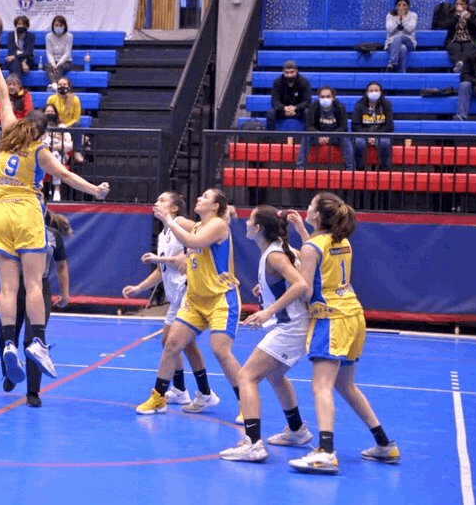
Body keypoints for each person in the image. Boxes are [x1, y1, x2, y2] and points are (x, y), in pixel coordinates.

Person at [0, 51, 110, 386]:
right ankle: (38, 342)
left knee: (7, 288)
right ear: (42, 132)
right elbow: (66, 176)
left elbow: (3, 95)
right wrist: (95, 190)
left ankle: (9, 343)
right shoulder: (40, 150)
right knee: (33, 284)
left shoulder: (8, 135)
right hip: (26, 212)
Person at [284, 193, 400, 474]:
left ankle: (325, 452)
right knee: (346, 385)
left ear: (316, 215)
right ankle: (384, 444)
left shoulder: (312, 247)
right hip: (354, 316)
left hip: (331, 319)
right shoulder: (342, 241)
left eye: (310, 205)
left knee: (321, 386)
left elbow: (307, 289)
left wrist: (286, 282)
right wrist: (302, 232)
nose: (307, 207)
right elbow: (319, 257)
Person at [134, 189, 243, 419]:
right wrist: (165, 214)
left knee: (220, 350)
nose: (199, 198)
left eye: (205, 197)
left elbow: (193, 241)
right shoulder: (196, 226)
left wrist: (168, 218)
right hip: (194, 300)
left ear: (215, 206)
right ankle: (159, 397)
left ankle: (246, 402)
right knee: (171, 344)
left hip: (220, 298)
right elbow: (183, 226)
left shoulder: (217, 226)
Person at [219, 205, 313, 462]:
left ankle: (253, 443)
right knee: (275, 375)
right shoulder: (280, 250)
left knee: (246, 376)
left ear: (259, 228)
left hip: (290, 327)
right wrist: (269, 289)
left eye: (250, 220)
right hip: (294, 324)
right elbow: (295, 275)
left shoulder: (275, 256)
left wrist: (268, 310)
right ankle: (297, 430)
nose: (246, 223)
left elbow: (301, 284)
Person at [124, 191, 214, 409]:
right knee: (174, 344)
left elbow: (205, 235)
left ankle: (183, 394)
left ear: (174, 208)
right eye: (156, 200)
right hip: (175, 299)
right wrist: (139, 288)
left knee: (174, 344)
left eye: (162, 200)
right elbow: (161, 270)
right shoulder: (163, 234)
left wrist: (189, 254)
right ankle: (186, 391)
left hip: (187, 293)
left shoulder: (180, 222)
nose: (157, 203)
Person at [0, 209, 72, 407]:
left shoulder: (52, 236)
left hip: (39, 289)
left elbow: (62, 266)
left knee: (33, 341)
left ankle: (33, 391)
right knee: (4, 337)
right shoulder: (11, 230)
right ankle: (10, 373)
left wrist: (65, 293)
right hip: (14, 288)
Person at [297, 86, 353, 170]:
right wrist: (319, 135)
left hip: (335, 137)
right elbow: (309, 126)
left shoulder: (340, 107)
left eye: (328, 96)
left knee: (345, 138)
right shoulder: (312, 108)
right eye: (322, 97)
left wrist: (330, 137)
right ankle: (300, 167)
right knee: (306, 138)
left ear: (333, 98)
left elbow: (343, 127)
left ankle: (350, 168)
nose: (325, 99)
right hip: (317, 136)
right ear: (318, 98)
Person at [350, 82, 393, 170]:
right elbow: (355, 125)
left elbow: (389, 126)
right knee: (358, 143)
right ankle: (360, 169)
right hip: (363, 135)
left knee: (385, 143)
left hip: (381, 134)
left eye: (376, 90)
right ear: (366, 93)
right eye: (371, 90)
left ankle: (384, 169)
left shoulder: (386, 105)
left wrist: (376, 136)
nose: (374, 92)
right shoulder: (359, 105)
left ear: (381, 92)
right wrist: (367, 136)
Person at [44, 76, 84, 163]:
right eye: (60, 84)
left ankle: (77, 152)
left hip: (69, 126)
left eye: (64, 84)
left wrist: (65, 127)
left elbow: (76, 118)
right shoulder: (51, 99)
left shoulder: (75, 99)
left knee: (78, 126)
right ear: (57, 86)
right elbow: (48, 112)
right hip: (55, 124)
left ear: (68, 86)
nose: (62, 86)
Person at [41, 104, 73, 202]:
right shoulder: (40, 127)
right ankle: (39, 189)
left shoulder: (62, 127)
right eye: (47, 112)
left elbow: (70, 145)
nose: (50, 114)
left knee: (55, 157)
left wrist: (58, 145)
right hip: (44, 153)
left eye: (52, 112)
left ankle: (57, 189)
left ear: (56, 113)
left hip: (60, 153)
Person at [267, 60, 311, 130]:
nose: (289, 75)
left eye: (292, 72)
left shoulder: (304, 82)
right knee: (271, 112)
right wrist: (284, 108)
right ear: (283, 72)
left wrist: (295, 108)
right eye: (287, 72)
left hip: (298, 110)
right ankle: (270, 136)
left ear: (296, 71)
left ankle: (308, 136)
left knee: (307, 112)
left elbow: (307, 101)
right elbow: (275, 101)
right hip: (282, 110)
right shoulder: (277, 82)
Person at [444, 0, 476, 77]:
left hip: (468, 39)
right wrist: (457, 16)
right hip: (454, 39)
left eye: (461, 4)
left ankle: (461, 64)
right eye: (457, 4)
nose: (459, 6)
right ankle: (459, 64)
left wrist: (468, 19)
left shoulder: (472, 14)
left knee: (468, 48)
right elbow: (448, 26)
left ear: (466, 5)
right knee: (454, 48)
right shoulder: (451, 14)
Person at [384, 0, 417, 73]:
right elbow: (390, 29)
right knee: (402, 48)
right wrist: (398, 18)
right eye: (399, 5)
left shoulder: (413, 15)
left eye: (404, 5)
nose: (401, 7)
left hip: (408, 42)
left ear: (408, 6)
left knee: (400, 37)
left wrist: (403, 18)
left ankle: (391, 63)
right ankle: (402, 72)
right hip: (391, 44)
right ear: (396, 6)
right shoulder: (390, 15)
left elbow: (410, 29)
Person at [44, 15, 73, 91]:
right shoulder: (48, 36)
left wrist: (58, 64)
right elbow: (49, 52)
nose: (58, 27)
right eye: (56, 25)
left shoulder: (69, 36)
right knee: (48, 67)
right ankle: (55, 85)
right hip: (53, 60)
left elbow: (67, 53)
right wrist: (53, 64)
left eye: (60, 25)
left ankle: (54, 85)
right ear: (53, 26)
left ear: (64, 26)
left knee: (59, 68)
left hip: (65, 61)